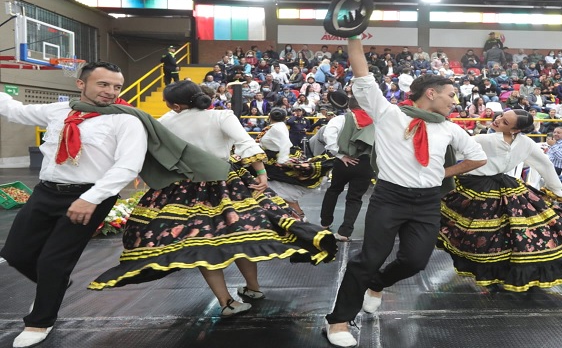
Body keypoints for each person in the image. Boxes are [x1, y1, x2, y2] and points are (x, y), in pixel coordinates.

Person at [90, 81, 337, 318]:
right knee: (241, 234)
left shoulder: (165, 122)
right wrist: (261, 174)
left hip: (184, 189)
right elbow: (245, 144)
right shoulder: (221, 116)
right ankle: (253, 287)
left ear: (175, 105)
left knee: (203, 243)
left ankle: (226, 301)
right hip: (226, 184)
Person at [324, 35, 487, 347]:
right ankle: (339, 321)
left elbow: (477, 157)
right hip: (390, 197)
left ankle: (378, 284)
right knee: (369, 258)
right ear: (431, 93)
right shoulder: (388, 113)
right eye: (451, 95)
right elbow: (362, 73)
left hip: (427, 202)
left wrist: (444, 172)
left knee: (415, 261)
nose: (456, 101)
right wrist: (354, 36)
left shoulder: (450, 128)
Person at [0, 61, 148, 347]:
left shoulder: (126, 119)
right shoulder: (59, 110)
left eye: (116, 86)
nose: (110, 92)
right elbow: (15, 110)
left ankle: (39, 321)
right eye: (103, 84)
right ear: (81, 84)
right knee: (16, 253)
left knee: (54, 260)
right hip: (46, 192)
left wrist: (90, 199)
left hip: (93, 194)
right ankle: (54, 283)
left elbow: (129, 165)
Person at [438, 109, 562, 291]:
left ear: (515, 130)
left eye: (505, 122)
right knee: (506, 233)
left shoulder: (485, 140)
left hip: (479, 188)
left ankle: (492, 270)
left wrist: (557, 189)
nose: (498, 121)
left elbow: (452, 153)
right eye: (501, 117)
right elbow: (544, 163)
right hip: (495, 187)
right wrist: (556, 190)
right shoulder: (522, 142)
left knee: (484, 232)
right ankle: (501, 271)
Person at [319, 91, 376, 242]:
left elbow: (328, 137)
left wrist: (340, 155)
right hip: (365, 163)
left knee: (333, 191)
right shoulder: (375, 121)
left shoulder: (340, 119)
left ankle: (325, 224)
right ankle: (345, 232)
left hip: (344, 161)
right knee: (355, 198)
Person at [258, 108, 335, 220]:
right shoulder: (274, 127)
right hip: (271, 167)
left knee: (284, 194)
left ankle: (300, 219)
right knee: (281, 194)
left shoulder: (278, 128)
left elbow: (285, 144)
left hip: (275, 168)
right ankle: (297, 218)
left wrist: (282, 160)